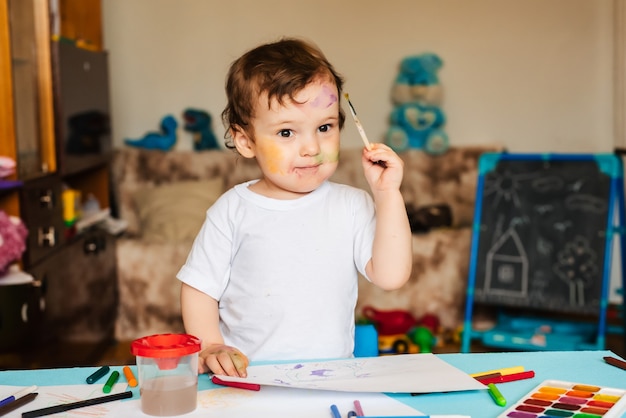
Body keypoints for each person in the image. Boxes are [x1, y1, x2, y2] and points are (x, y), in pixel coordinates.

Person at [177, 37, 412, 378]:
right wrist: (211, 345)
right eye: (287, 132)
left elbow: (391, 277)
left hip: (331, 381)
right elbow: (199, 288)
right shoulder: (232, 210)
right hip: (246, 380)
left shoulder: (351, 205)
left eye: (324, 127)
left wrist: (388, 193)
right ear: (246, 141)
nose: (311, 147)